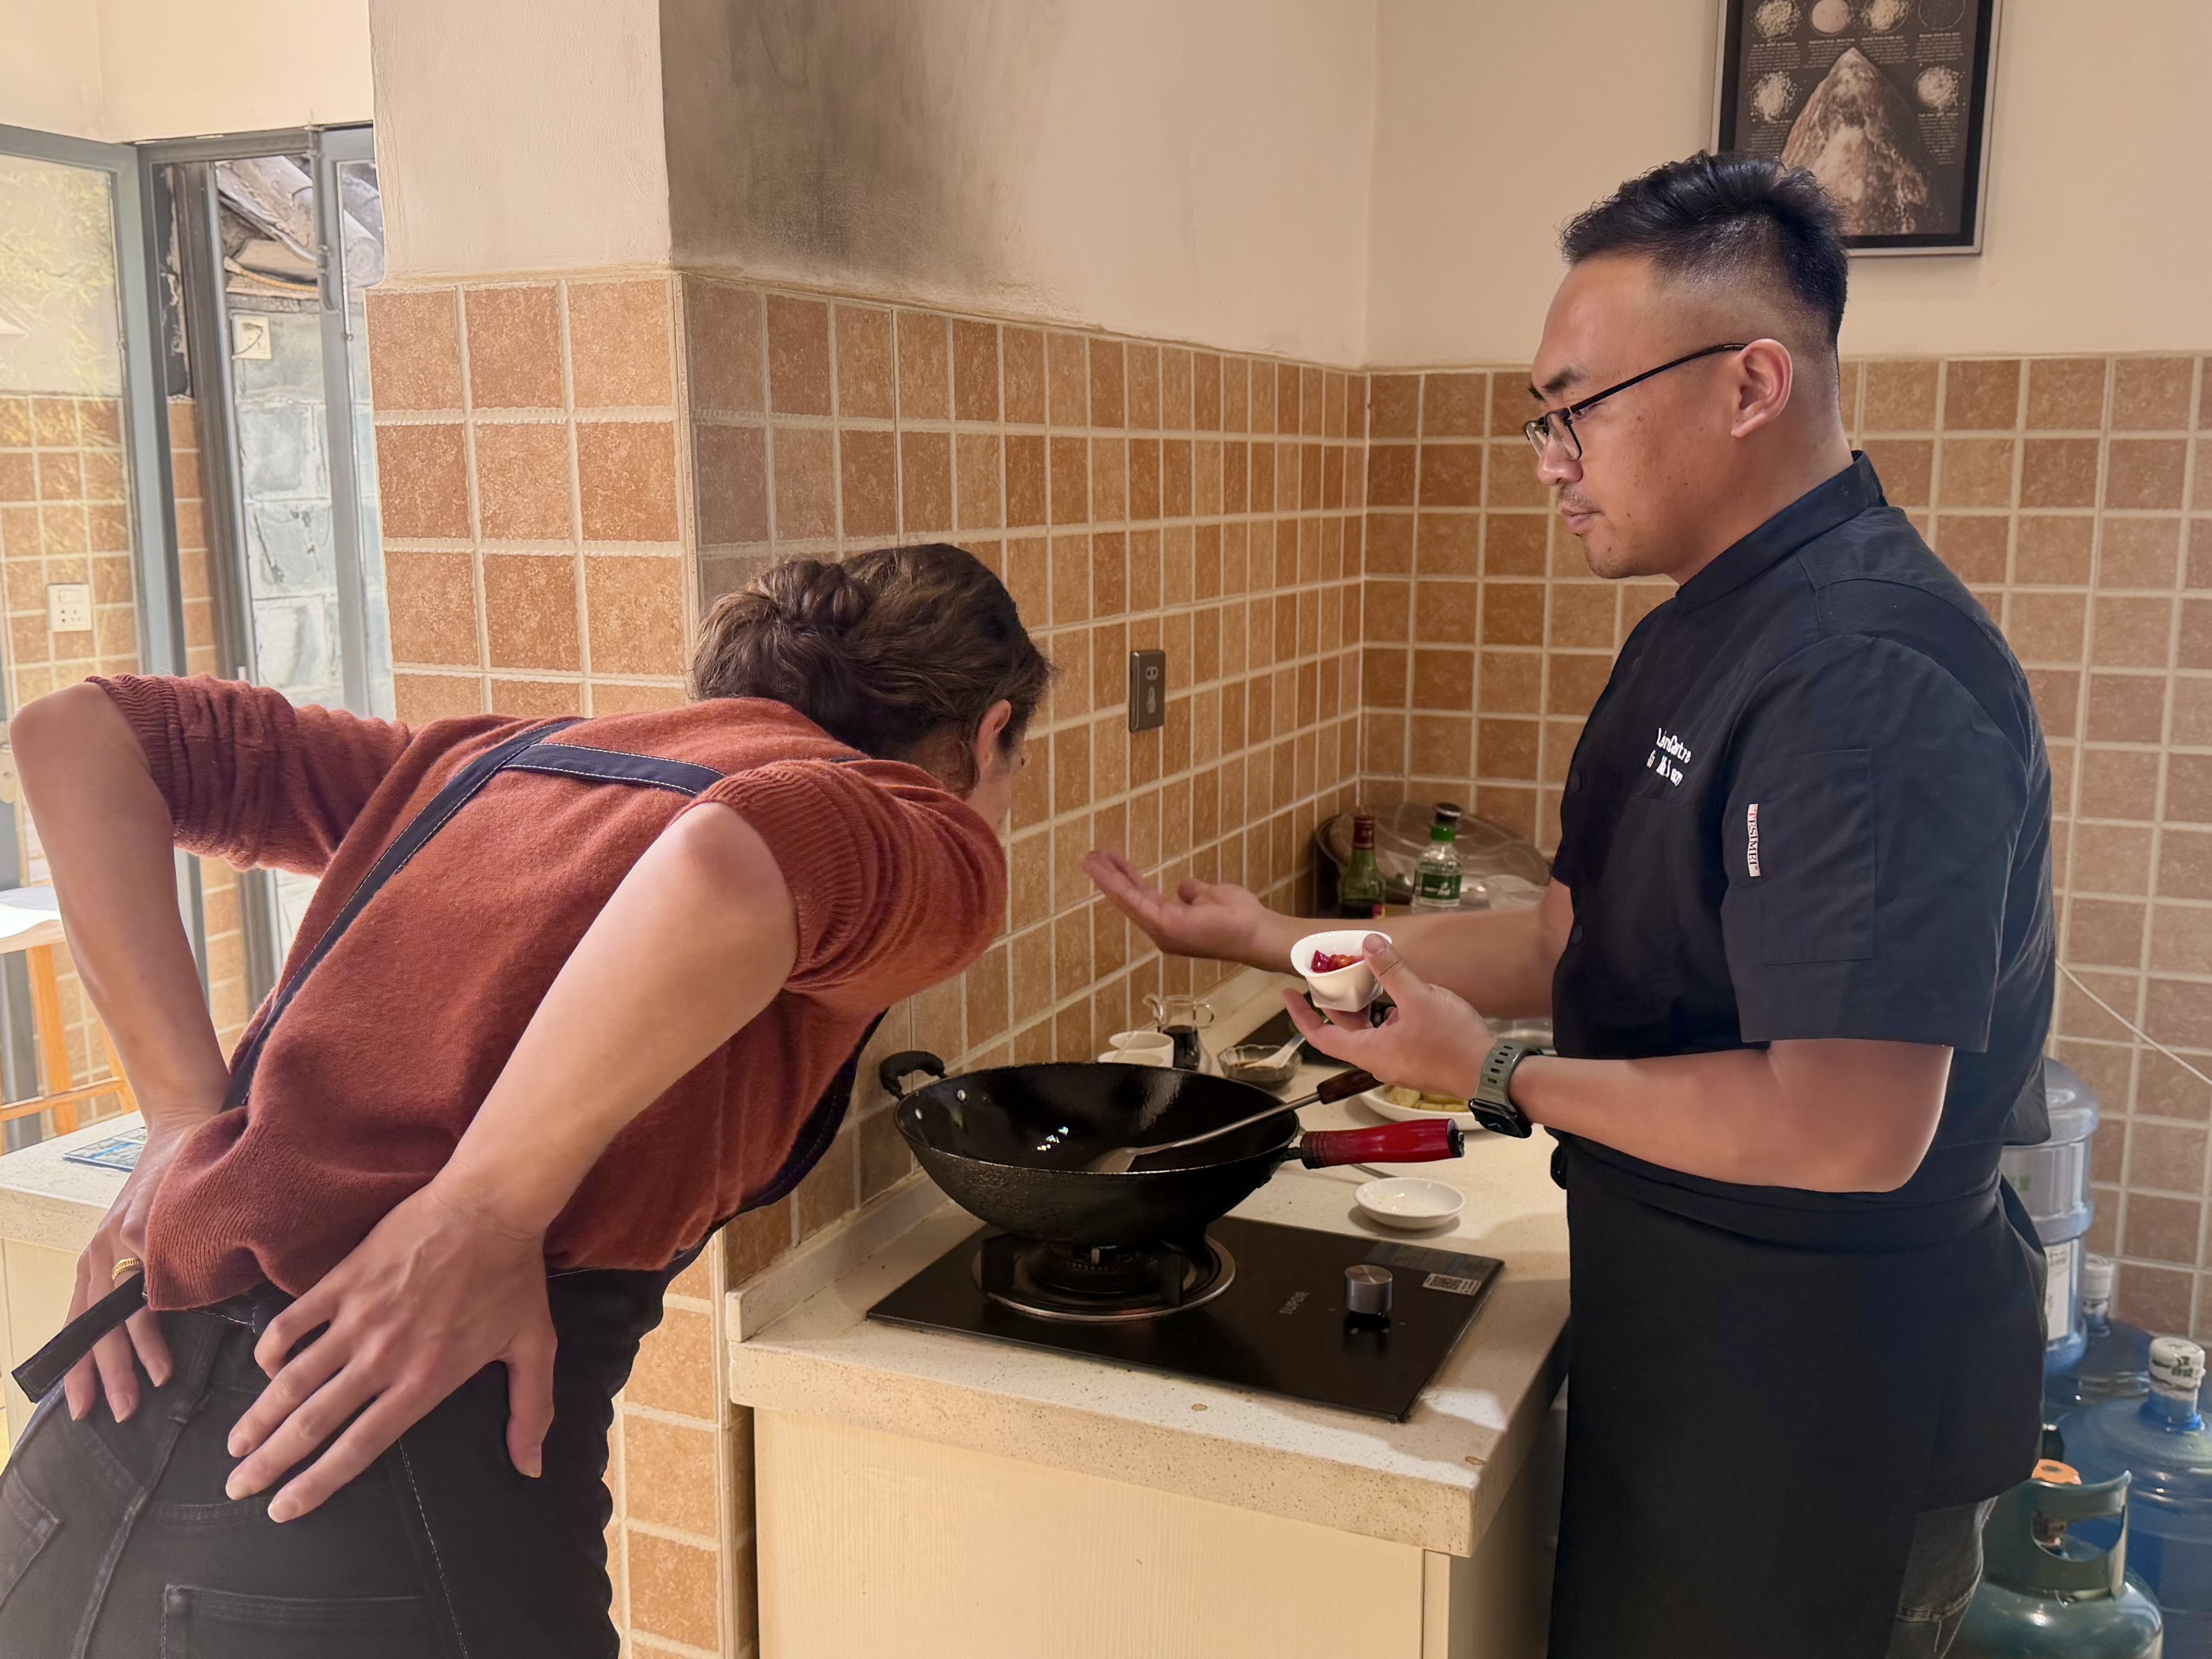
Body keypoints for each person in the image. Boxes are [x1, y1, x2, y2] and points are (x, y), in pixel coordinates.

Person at [1087, 154, 2051, 1659]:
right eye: (1541, 419)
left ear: (1750, 384)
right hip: (1697, 1359)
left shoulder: (1863, 679)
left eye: (1576, 408)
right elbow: (1565, 939)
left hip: (1825, 1425)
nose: (1549, 459)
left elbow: (1849, 1126)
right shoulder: (1701, 630)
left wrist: (1490, 1071)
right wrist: (1277, 939)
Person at [1, 543, 1050, 1658]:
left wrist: (181, 1118)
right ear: (990, 734)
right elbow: (734, 862)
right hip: (376, 1497)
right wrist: (482, 1210)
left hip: (74, 1467)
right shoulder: (923, 831)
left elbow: (77, 734)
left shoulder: (488, 769)